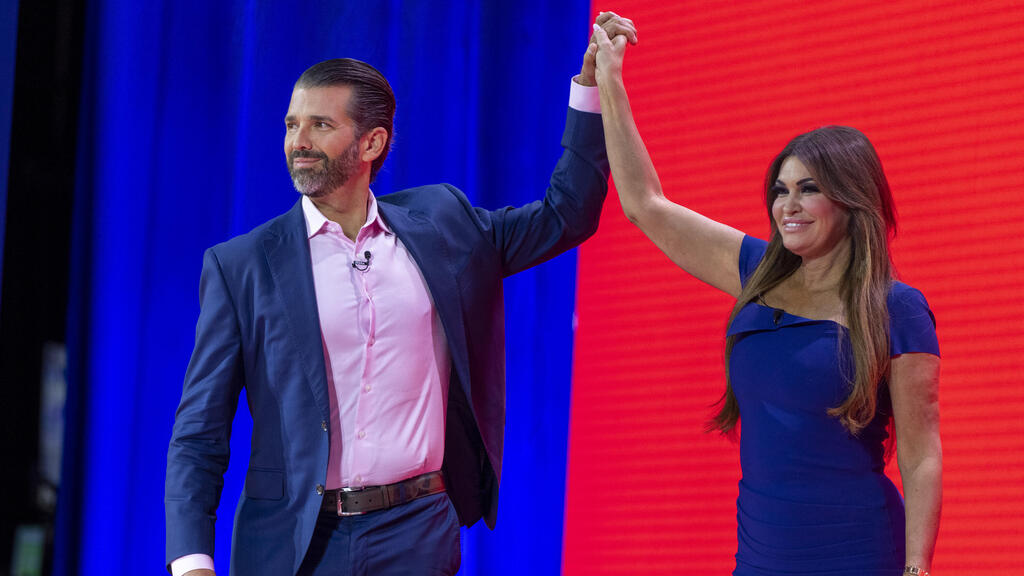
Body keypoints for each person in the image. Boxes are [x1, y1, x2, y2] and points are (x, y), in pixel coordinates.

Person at [164, 15, 638, 576]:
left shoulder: (444, 226)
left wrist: (590, 87)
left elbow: (566, 215)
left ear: (372, 141)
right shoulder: (241, 265)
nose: (298, 142)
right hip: (293, 543)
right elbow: (199, 432)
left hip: (417, 531)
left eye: (319, 124)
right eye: (292, 125)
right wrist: (191, 561)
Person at [587, 21, 942, 576]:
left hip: (858, 549)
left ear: (851, 199)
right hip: (761, 554)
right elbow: (644, 204)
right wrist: (609, 79)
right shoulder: (758, 271)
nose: (787, 206)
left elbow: (921, 455)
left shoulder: (898, 308)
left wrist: (917, 568)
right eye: (780, 190)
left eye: (808, 190)